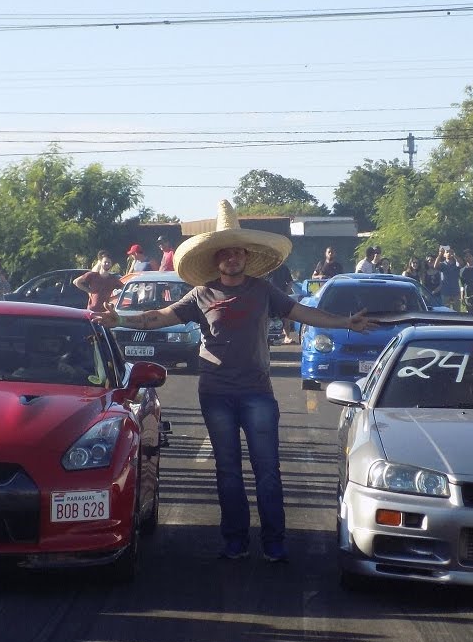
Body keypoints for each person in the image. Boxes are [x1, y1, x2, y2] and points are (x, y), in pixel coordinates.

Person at [97, 200, 375, 562]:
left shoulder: (263, 291)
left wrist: (344, 322)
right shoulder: (202, 294)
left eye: (237, 252)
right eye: (225, 253)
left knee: (267, 469)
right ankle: (236, 541)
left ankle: (274, 542)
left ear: (246, 256)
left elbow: (302, 312)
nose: (232, 258)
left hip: (257, 392)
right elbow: (159, 317)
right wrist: (119, 320)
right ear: (216, 260)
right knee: (227, 470)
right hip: (215, 393)